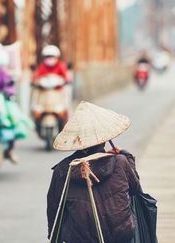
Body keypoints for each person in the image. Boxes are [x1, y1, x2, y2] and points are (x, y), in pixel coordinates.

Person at [47, 101, 141, 243]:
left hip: (79, 238)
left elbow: (54, 210)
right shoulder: (121, 162)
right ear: (103, 141)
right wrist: (127, 157)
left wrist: (55, 238)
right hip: (120, 235)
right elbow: (135, 189)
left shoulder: (62, 170)